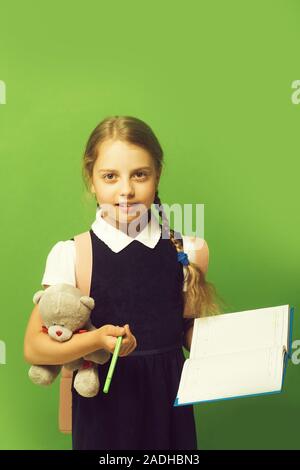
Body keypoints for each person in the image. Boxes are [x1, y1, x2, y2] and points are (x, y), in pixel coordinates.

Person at [24, 115, 220, 450]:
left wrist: (247, 345)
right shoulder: (72, 254)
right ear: (92, 180)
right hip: (104, 411)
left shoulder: (187, 251)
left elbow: (188, 332)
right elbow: (34, 347)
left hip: (170, 407)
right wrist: (96, 340)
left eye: (140, 175)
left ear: (157, 176)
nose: (126, 190)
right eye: (110, 176)